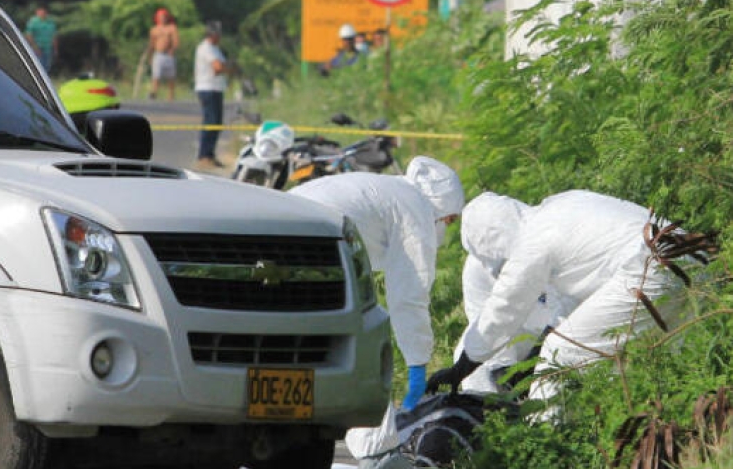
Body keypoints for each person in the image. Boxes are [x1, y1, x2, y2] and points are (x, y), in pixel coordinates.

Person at [426, 190, 709, 405]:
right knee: (670, 356)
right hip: (690, 253)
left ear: (494, 243)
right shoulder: (560, 205)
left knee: (558, 355)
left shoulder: (532, 245)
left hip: (649, 265)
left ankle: (545, 443)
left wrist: (459, 370)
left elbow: (501, 313)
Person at [289, 156, 465, 411]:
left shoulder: (391, 190)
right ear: (440, 207)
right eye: (449, 220)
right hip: (307, 238)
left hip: (283, 219)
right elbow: (409, 295)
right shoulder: (415, 209)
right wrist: (418, 368)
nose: (445, 228)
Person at [454, 192, 564, 394]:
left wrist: (535, 361)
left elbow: (569, 307)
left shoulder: (550, 243)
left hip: (563, 330)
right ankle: (489, 415)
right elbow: (485, 324)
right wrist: (502, 371)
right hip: (517, 335)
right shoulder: (476, 270)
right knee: (467, 350)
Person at [194, 20, 228, 169]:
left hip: (216, 88)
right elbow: (218, 68)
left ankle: (210, 154)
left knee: (216, 122)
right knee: (211, 121)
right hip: (207, 88)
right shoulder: (206, 48)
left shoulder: (215, 49)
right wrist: (229, 68)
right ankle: (204, 155)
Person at [146, 7, 179, 101]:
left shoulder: (172, 28)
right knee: (156, 75)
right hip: (158, 54)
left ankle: (171, 95)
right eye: (160, 16)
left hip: (168, 55)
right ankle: (154, 92)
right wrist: (150, 56)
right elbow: (152, 44)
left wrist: (172, 49)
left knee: (171, 76)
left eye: (164, 16)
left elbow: (176, 42)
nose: (162, 18)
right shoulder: (154, 30)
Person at [24, 5, 58, 73]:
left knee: (47, 67)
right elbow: (28, 35)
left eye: (44, 12)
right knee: (39, 67)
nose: (42, 14)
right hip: (37, 48)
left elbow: (54, 36)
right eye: (40, 12)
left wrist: (55, 49)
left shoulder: (50, 22)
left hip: (48, 48)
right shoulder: (33, 22)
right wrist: (35, 47)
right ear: (37, 12)